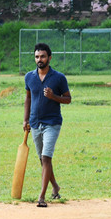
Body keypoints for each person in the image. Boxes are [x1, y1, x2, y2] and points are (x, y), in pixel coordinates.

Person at [24, 43, 72, 207]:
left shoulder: (59, 78)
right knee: (42, 160)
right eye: (37, 56)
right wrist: (26, 120)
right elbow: (28, 98)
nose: (40, 59)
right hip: (35, 123)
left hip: (52, 123)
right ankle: (55, 187)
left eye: (43, 56)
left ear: (49, 58)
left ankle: (42, 196)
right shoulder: (29, 77)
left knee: (46, 157)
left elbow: (68, 99)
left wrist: (53, 96)